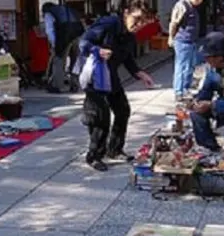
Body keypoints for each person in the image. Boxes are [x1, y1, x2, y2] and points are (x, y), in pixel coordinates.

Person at [75, 0, 155, 172]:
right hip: (93, 75)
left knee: (122, 110)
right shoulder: (110, 24)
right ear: (126, 12)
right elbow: (84, 43)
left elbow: (127, 58)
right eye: (137, 19)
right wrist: (98, 50)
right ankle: (94, 155)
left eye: (143, 22)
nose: (139, 25)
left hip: (110, 75)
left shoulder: (129, 36)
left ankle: (115, 149)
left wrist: (140, 74)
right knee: (100, 116)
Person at [42, 2, 85, 93]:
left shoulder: (49, 13)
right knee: (75, 61)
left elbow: (49, 30)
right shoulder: (66, 9)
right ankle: (75, 85)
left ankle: (57, 86)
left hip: (65, 35)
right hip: (78, 33)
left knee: (59, 61)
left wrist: (54, 46)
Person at [168, 0, 203, 101]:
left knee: (190, 67)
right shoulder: (182, 5)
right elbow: (174, 23)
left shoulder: (193, 7)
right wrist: (171, 37)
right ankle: (179, 91)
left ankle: (185, 88)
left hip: (192, 41)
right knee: (182, 67)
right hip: (183, 41)